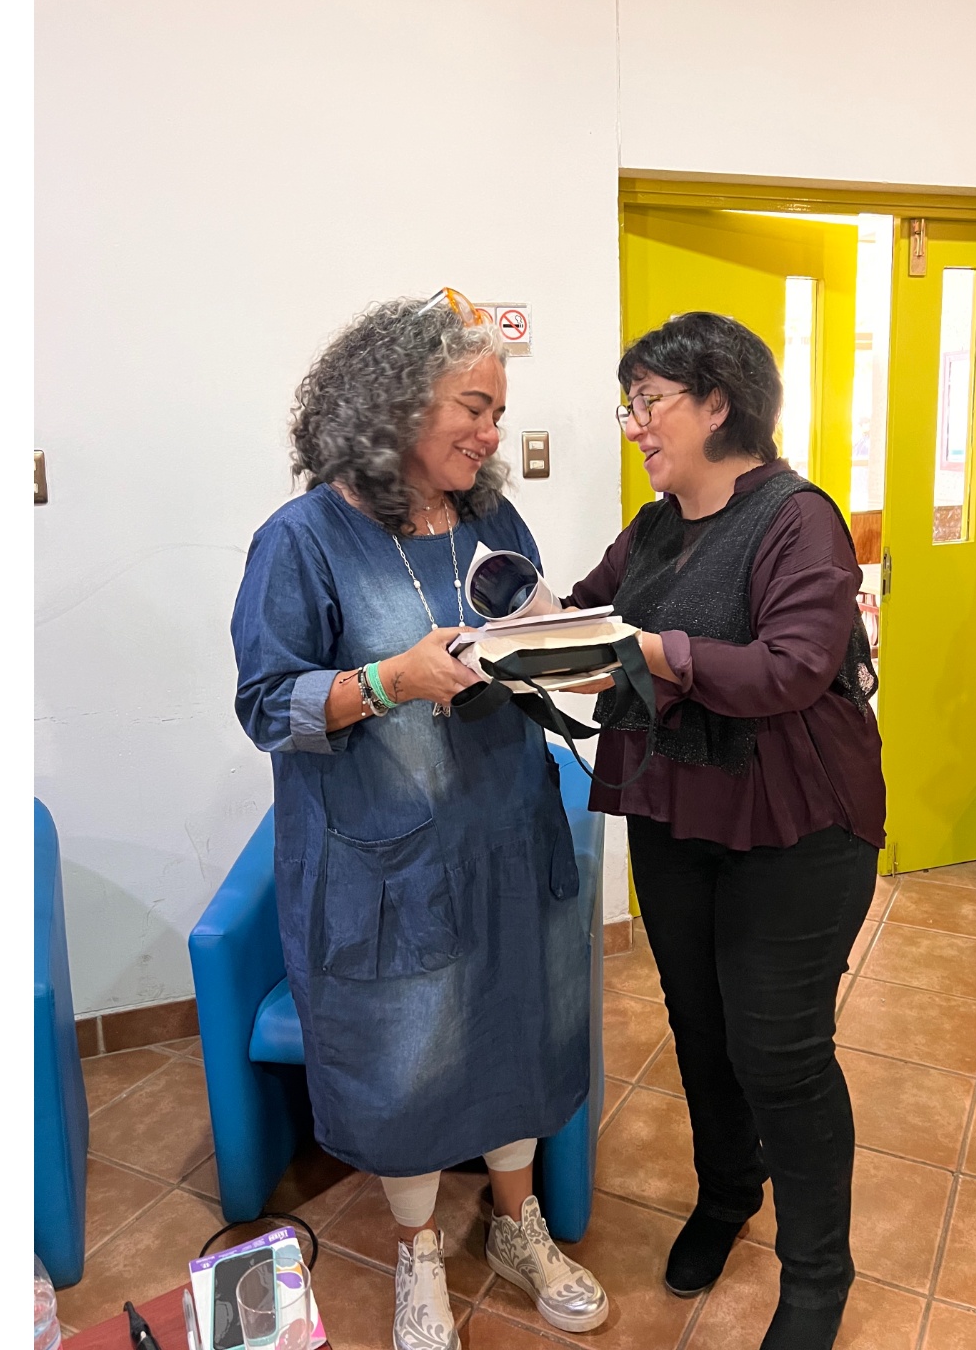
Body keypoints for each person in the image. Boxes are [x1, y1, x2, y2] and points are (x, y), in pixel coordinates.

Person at [230, 292, 609, 1350]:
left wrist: (575, 647)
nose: (491, 435)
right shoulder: (303, 541)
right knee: (405, 1058)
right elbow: (266, 705)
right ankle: (418, 1253)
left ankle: (518, 1227)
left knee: (520, 1025)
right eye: (473, 409)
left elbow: (528, 625)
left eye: (498, 413)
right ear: (395, 403)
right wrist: (388, 681)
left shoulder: (493, 521)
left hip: (505, 830)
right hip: (383, 860)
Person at [565, 311, 885, 1350]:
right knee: (701, 1029)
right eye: (630, 405)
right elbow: (584, 615)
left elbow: (791, 669)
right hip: (678, 811)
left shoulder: (800, 520)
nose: (634, 426)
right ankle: (726, 1192)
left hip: (797, 828)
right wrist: (515, 636)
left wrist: (655, 652)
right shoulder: (655, 526)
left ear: (717, 404)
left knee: (779, 1052)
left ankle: (818, 1276)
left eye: (647, 403)